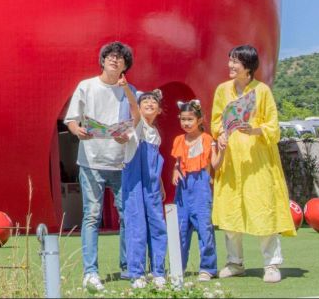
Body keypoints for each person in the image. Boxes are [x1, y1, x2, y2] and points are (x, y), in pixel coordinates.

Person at [211, 45, 295, 284]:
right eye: (229, 61)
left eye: (235, 62)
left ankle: (271, 264)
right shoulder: (221, 90)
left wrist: (255, 129)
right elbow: (216, 121)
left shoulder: (262, 91)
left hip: (258, 159)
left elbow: (273, 127)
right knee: (230, 212)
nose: (230, 66)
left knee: (263, 208)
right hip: (231, 159)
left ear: (248, 66)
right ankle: (234, 262)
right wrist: (221, 134)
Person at [64, 42, 137, 293]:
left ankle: (129, 267)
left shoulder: (130, 90)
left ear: (126, 66)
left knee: (127, 215)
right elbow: (72, 119)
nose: (115, 61)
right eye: (110, 57)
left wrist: (126, 135)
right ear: (102, 60)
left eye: (120, 59)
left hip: (121, 161)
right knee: (92, 215)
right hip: (91, 160)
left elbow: (137, 123)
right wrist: (78, 131)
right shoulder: (87, 86)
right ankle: (90, 272)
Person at [121, 88, 168, 289]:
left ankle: (158, 270)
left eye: (153, 102)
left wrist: (161, 184)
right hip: (134, 185)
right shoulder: (137, 127)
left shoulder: (156, 134)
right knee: (136, 226)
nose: (150, 103)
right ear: (139, 108)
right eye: (145, 101)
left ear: (159, 110)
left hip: (152, 186)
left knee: (158, 225)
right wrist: (125, 88)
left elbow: (156, 162)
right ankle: (137, 272)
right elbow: (133, 107)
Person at [171, 99, 222, 282]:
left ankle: (208, 268)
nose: (186, 123)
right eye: (183, 119)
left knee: (204, 228)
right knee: (181, 229)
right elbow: (177, 164)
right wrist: (175, 171)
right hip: (183, 189)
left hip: (201, 187)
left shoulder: (208, 139)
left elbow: (215, 163)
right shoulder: (179, 140)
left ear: (199, 120)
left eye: (190, 119)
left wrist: (222, 150)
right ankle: (178, 267)